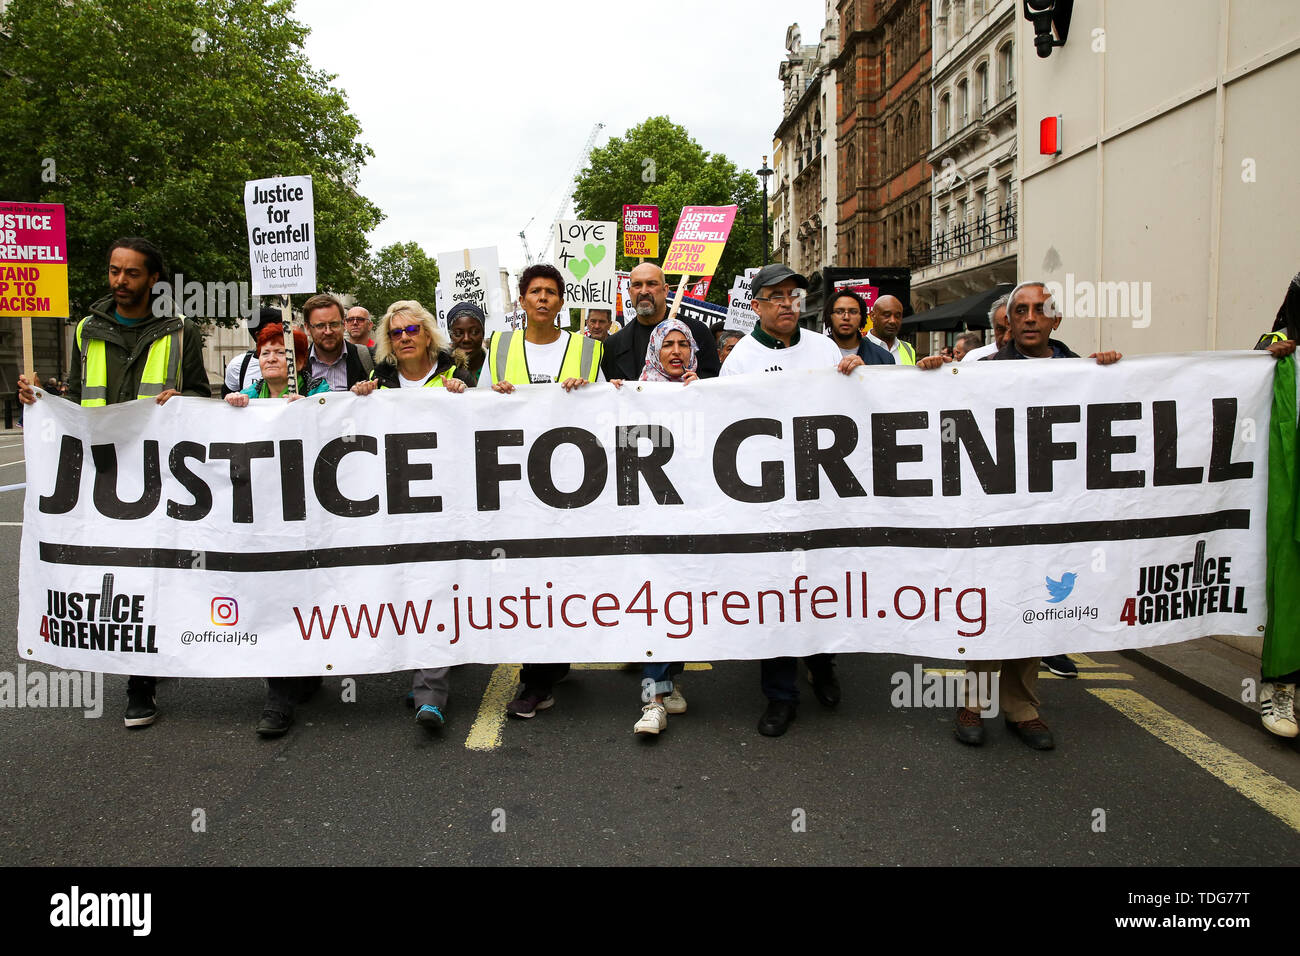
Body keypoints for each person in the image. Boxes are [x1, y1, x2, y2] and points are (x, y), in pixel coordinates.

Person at [17, 236, 212, 729]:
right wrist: (40, 397)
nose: (119, 281)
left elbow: (199, 393)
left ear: (153, 280)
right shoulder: (87, 328)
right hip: (101, 470)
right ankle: (137, 666)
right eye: (113, 271)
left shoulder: (180, 331)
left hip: (158, 471)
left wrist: (180, 398)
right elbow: (77, 394)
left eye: (131, 273)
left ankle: (140, 681)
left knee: (154, 569)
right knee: (117, 572)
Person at [936, 280, 1121, 750]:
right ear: (1010, 321)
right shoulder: (980, 371)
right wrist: (930, 374)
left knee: (1035, 606)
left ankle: (1022, 707)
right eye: (1022, 311)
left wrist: (1113, 375)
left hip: (1053, 513)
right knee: (990, 605)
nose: (1031, 317)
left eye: (1041, 310)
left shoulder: (1083, 370)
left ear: (1056, 319)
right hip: (994, 512)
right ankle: (974, 703)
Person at [721, 263, 881, 737]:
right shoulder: (741, 360)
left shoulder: (824, 347)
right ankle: (780, 695)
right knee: (777, 592)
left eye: (793, 295)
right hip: (768, 499)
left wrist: (858, 372)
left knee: (822, 582)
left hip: (822, 493)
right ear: (756, 307)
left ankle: (823, 663)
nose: (787, 303)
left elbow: (855, 406)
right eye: (775, 296)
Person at [479, 265, 604, 719]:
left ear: (561, 300)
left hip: (573, 483)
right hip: (516, 484)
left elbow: (609, 405)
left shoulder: (588, 350)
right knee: (531, 577)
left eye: (552, 292)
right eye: (535, 292)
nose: (544, 299)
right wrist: (494, 393)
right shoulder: (500, 347)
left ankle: (542, 674)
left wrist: (589, 391)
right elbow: (477, 408)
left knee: (561, 575)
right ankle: (540, 676)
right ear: (523, 299)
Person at [349, 301, 470, 730]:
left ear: (428, 334)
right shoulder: (374, 383)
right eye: (396, 332)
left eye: (412, 329)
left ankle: (430, 692)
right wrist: (357, 401)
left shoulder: (457, 377)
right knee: (403, 591)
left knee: (432, 591)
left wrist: (468, 399)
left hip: (444, 508)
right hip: (392, 508)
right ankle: (424, 673)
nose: (404, 338)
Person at [609, 317, 701, 734]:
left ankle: (668, 682)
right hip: (645, 518)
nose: (677, 351)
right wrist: (606, 400)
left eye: (684, 344)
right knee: (655, 598)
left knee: (679, 599)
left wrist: (704, 398)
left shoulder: (703, 391)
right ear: (655, 351)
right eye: (669, 345)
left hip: (690, 517)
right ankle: (655, 700)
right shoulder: (631, 393)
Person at [1254, 270, 1300, 737]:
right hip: (1290, 490)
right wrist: (1271, 353)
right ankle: (1280, 688)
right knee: (1289, 590)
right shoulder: (1276, 349)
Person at [601, 263, 721, 382]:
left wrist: (697, 384)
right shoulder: (613, 345)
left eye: (651, 284)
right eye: (637, 285)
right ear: (629, 292)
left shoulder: (698, 333)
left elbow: (713, 387)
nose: (643, 291)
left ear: (665, 290)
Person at [224, 323, 328, 406]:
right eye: (265, 353)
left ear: (299, 362)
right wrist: (231, 405)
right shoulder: (247, 396)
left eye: (280, 352)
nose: (271, 359)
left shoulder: (321, 393)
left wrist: (312, 408)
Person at [303, 293, 373, 390]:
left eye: (334, 324)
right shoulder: (297, 366)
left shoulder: (367, 359)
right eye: (320, 326)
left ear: (344, 324)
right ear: (307, 328)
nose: (328, 331)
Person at [824, 289, 893, 364]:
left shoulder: (883, 358)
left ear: (862, 317)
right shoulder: (815, 352)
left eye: (853, 312)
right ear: (830, 316)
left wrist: (863, 371)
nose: (846, 317)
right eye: (839, 311)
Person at [222, 306, 279, 397]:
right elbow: (227, 404)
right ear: (258, 335)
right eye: (275, 331)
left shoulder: (295, 361)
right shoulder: (238, 366)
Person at [865, 294, 916, 365]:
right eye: (887, 315)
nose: (893, 321)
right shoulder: (858, 348)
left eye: (897, 316)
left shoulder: (908, 349)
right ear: (873, 316)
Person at [447, 302, 487, 386]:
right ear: (450, 336)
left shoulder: (498, 366)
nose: (466, 339)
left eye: (474, 332)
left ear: (483, 334)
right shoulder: (441, 371)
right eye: (458, 333)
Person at [963, 294, 1010, 362]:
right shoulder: (974, 358)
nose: (1007, 338)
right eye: (1000, 329)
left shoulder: (1030, 359)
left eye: (1013, 330)